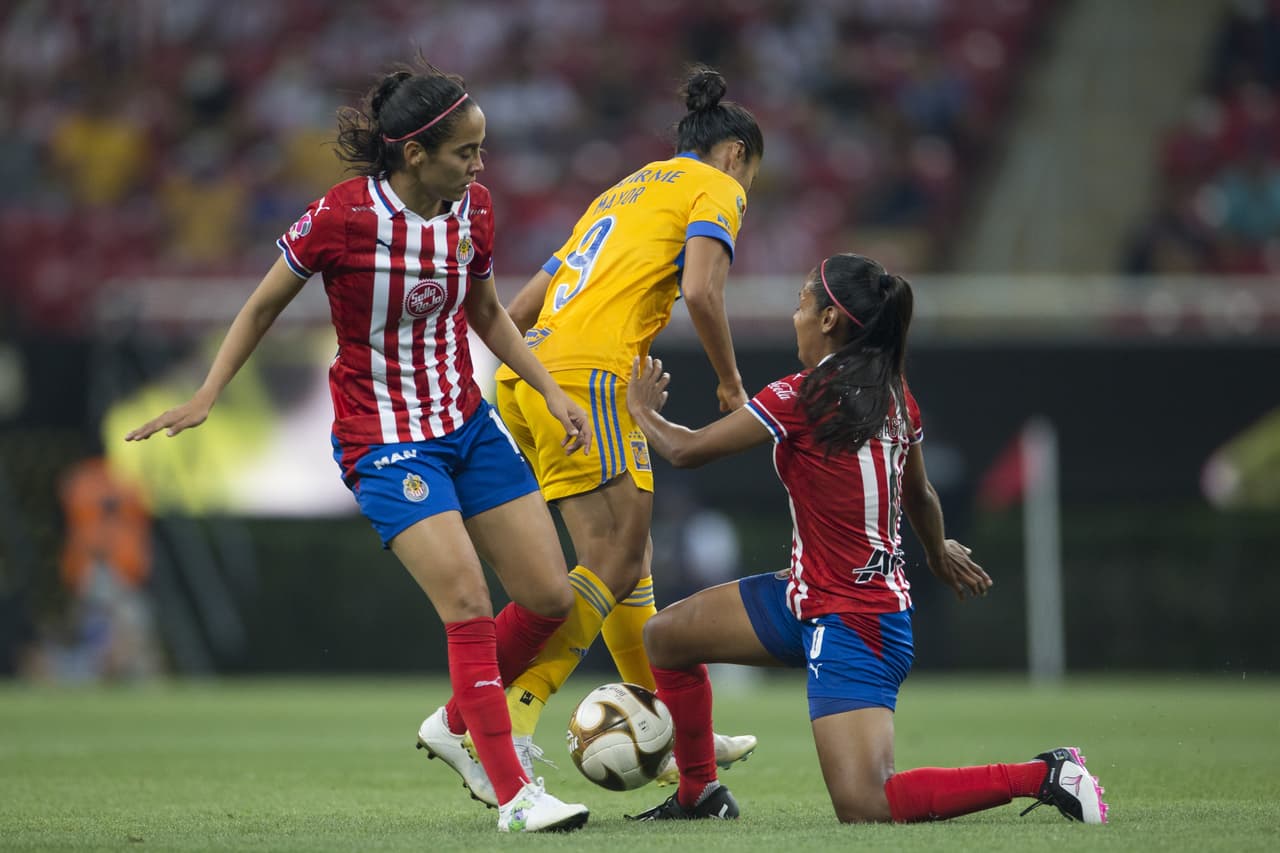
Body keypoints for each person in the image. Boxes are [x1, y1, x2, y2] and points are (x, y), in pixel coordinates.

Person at [125, 62, 592, 833]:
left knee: (549, 597)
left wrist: (547, 386)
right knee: (469, 602)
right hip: (384, 441)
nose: (480, 166)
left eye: (481, 150)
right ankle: (515, 795)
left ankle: (453, 722)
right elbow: (263, 303)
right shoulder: (341, 217)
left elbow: (486, 311)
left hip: (465, 424)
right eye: (466, 152)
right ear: (414, 154)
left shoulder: (473, 209)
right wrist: (209, 391)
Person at [623, 252, 1109, 825]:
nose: (795, 313)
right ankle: (698, 795)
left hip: (857, 618)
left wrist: (639, 411)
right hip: (808, 595)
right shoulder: (895, 394)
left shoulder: (804, 394)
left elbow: (685, 450)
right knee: (666, 639)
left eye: (803, 301)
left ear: (830, 319)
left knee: (866, 804)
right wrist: (935, 549)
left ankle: (1047, 773)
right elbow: (921, 496)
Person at [449, 65, 761, 782]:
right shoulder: (716, 186)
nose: (746, 191)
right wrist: (730, 381)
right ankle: (515, 709)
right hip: (590, 377)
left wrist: (517, 378)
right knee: (619, 557)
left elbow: (520, 305)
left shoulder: (622, 191)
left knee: (627, 567)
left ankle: (684, 736)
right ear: (736, 153)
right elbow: (703, 290)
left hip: (527, 379)